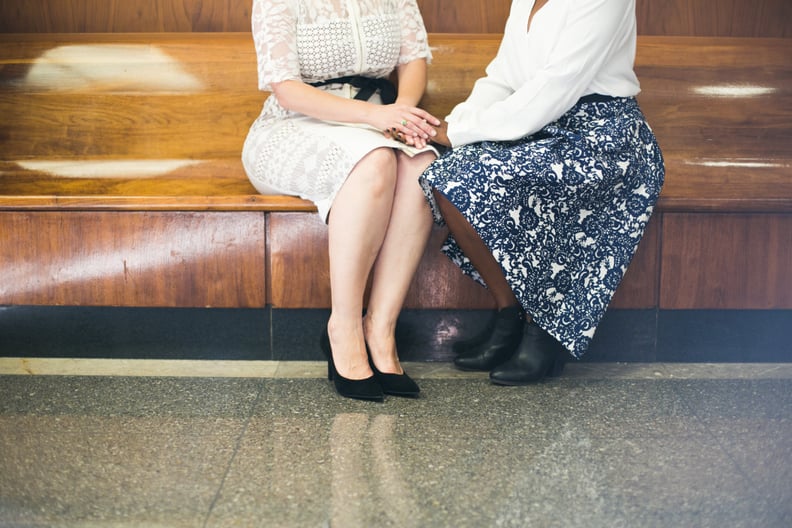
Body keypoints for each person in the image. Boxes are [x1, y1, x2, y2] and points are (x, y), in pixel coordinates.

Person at [420, 0, 665, 385]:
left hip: (602, 137)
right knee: (448, 178)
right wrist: (457, 124)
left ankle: (545, 330)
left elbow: (557, 86)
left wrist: (460, 133)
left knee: (503, 179)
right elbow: (502, 77)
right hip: (540, 127)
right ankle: (510, 315)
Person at [242, 0, 440, 401]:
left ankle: (380, 329)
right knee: (374, 161)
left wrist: (401, 114)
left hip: (381, 119)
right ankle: (344, 328)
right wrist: (374, 119)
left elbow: (413, 60)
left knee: (423, 165)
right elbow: (288, 91)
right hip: (294, 127)